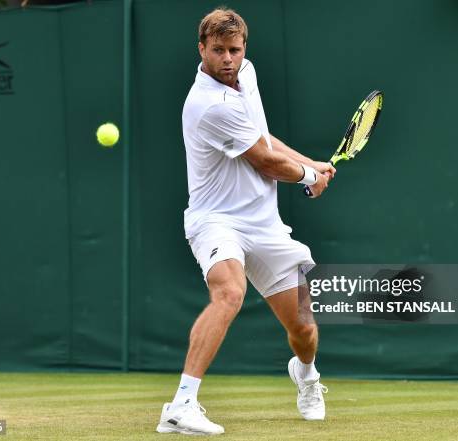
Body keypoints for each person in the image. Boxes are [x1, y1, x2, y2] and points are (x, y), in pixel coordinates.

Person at [156, 7, 335, 436]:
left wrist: (308, 162)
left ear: (244, 49)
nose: (227, 59)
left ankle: (306, 375)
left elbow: (262, 137)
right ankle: (181, 405)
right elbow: (264, 161)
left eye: (234, 50)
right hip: (216, 221)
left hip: (265, 226)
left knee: (305, 330)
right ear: (201, 49)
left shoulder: (246, 76)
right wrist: (309, 177)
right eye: (217, 50)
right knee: (229, 293)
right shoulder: (208, 104)